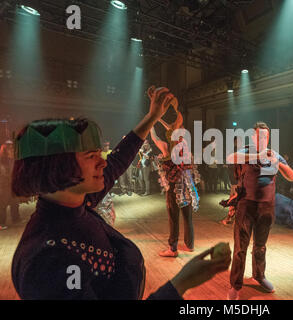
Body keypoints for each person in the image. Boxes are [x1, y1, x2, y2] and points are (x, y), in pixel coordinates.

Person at [11, 86, 230, 299]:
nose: (103, 162)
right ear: (58, 167)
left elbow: (119, 159)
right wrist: (181, 284)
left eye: (99, 153)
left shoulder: (77, 202)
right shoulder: (49, 260)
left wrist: (153, 116)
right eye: (90, 156)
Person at [226, 122, 293, 300]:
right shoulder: (246, 151)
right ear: (253, 137)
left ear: (268, 138)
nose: (262, 139)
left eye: (265, 136)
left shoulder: (274, 154)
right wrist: (258, 155)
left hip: (266, 207)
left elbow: (292, 177)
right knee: (240, 248)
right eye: (259, 136)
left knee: (260, 246)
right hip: (246, 206)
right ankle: (235, 285)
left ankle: (259, 276)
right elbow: (229, 158)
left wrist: (277, 163)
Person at [151, 106, 200, 258]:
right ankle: (189, 244)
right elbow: (174, 128)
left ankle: (172, 248)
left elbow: (155, 138)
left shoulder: (166, 148)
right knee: (187, 216)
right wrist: (158, 119)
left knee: (173, 217)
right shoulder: (185, 147)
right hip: (187, 184)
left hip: (174, 186)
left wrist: (152, 123)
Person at [0, 140, 21, 229]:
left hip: (12, 185)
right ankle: (1, 223)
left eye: (12, 148)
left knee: (15, 202)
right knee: (2, 205)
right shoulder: (2, 162)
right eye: (10, 149)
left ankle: (16, 219)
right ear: (5, 150)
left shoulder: (13, 160)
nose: (12, 150)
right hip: (3, 186)